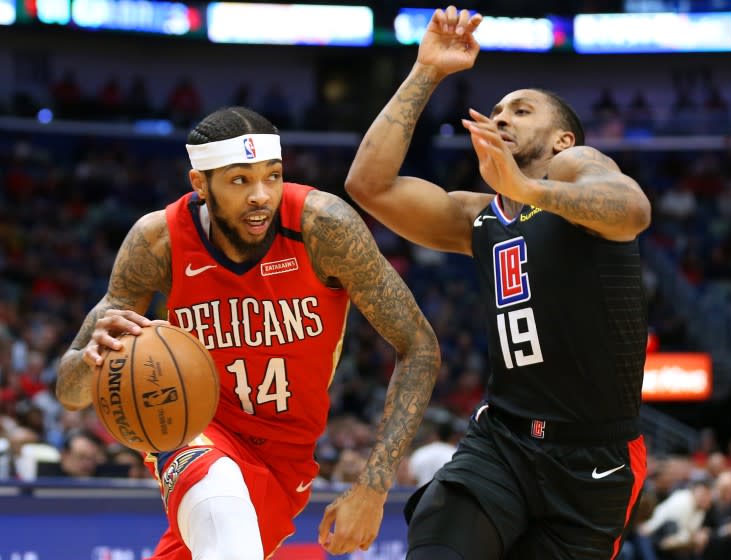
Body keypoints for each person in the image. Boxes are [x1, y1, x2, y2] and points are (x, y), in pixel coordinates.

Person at [55, 106, 440, 559]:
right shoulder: (157, 241)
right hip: (192, 426)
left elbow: (419, 346)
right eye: (240, 180)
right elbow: (71, 391)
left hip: (286, 455)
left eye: (272, 176)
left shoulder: (324, 227)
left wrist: (374, 485)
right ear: (200, 184)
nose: (261, 195)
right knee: (222, 503)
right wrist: (91, 359)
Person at [342, 7, 652, 559]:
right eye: (497, 109)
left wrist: (528, 189)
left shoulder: (580, 166)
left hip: (593, 459)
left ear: (561, 139)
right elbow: (368, 185)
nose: (502, 115)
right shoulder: (480, 216)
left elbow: (632, 211)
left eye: (522, 109)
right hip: (502, 441)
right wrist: (427, 71)